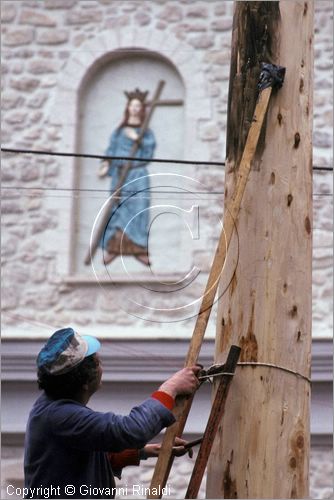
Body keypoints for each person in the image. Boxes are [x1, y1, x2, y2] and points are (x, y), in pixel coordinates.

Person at [24, 328, 200, 499]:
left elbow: (83, 458)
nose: (101, 365)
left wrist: (147, 451)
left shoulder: (53, 409)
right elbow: (131, 430)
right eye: (97, 362)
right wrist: (170, 388)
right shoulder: (61, 416)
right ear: (85, 382)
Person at [99, 89, 156, 267]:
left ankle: (139, 249)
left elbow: (149, 151)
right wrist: (106, 164)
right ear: (128, 108)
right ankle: (114, 248)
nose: (135, 109)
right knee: (118, 211)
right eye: (132, 105)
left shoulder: (146, 133)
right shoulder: (119, 132)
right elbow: (111, 149)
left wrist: (137, 138)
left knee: (138, 211)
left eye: (138, 106)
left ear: (142, 109)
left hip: (137, 175)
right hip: (120, 174)